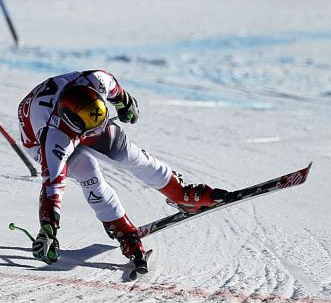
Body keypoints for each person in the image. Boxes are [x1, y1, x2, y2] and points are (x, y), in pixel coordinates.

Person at [17, 70, 228, 266]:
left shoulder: (97, 80)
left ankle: (179, 193)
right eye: (92, 130)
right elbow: (52, 186)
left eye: (102, 120)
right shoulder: (55, 137)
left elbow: (116, 90)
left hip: (77, 114)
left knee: (126, 151)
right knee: (86, 168)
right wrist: (48, 229)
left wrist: (124, 104)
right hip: (36, 139)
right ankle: (123, 231)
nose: (99, 131)